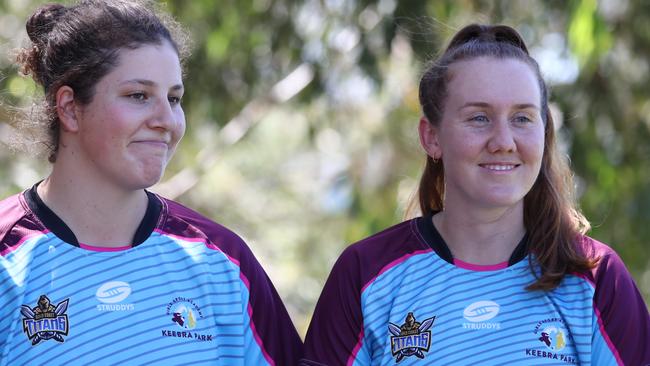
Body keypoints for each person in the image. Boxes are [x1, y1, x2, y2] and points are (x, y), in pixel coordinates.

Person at [301, 24, 649, 365]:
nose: (503, 142)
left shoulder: (596, 277)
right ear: (431, 137)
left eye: (523, 118)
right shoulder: (366, 274)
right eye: (479, 118)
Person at [0, 1, 302, 364]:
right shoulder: (7, 258)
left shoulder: (223, 261)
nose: (166, 120)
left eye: (174, 99)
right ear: (69, 108)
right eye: (138, 96)